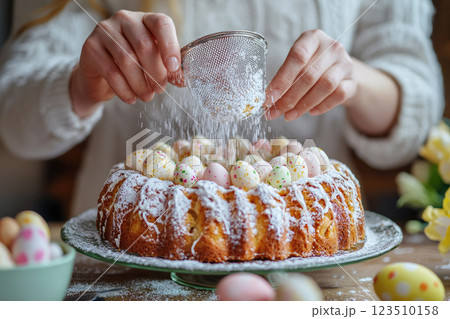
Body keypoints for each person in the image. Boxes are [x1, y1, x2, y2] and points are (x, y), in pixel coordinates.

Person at [0, 0, 444, 216]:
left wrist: (355, 80)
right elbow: (11, 117)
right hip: (128, 267)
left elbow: (418, 105)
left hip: (310, 257)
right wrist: (83, 83)